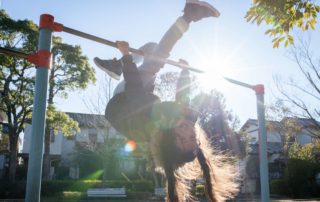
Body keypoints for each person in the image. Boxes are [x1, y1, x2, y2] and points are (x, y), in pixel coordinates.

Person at [94, 1, 239, 201]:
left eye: (183, 138)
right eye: (193, 139)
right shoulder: (188, 122)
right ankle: (117, 67)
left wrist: (127, 56)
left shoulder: (146, 126)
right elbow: (183, 97)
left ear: (168, 138)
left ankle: (189, 15)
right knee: (152, 49)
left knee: (155, 61)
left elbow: (135, 92)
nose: (189, 132)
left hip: (124, 102)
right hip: (145, 97)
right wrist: (185, 73)